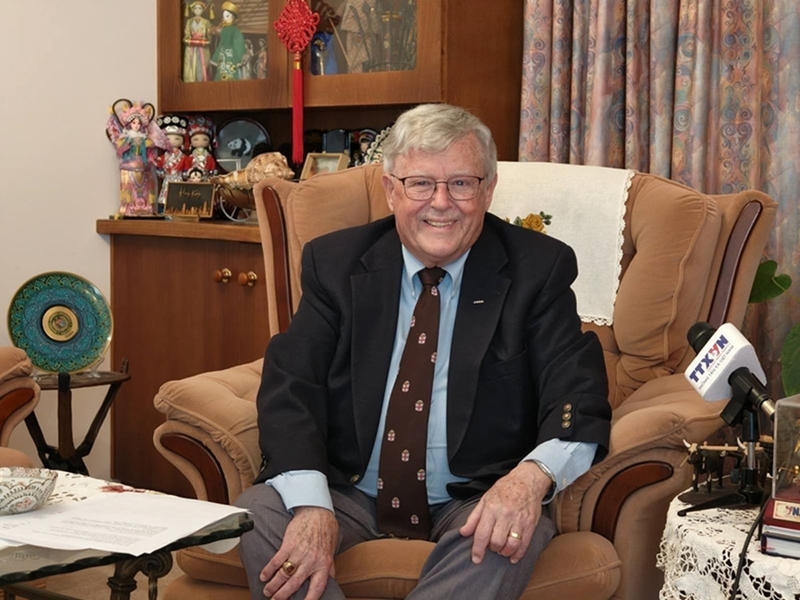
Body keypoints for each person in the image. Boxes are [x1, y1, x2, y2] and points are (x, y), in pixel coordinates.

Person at [235, 103, 611, 599]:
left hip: (473, 498)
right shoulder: (335, 263)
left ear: (488, 190)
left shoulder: (538, 269)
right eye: (420, 184)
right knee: (258, 514)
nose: (441, 203)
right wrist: (311, 507)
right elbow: (291, 385)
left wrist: (527, 482)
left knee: (506, 537)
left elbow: (578, 394)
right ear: (391, 190)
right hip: (349, 490)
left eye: (461, 183)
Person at [106, 99, 171, 217]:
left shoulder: (146, 139)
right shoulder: (125, 138)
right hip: (129, 168)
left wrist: (151, 157)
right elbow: (120, 150)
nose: (136, 125)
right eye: (134, 123)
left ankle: (146, 208)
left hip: (144, 167)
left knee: (146, 189)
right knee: (129, 190)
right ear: (129, 124)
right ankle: (128, 208)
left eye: (138, 123)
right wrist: (126, 145)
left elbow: (151, 153)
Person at [210, 2, 246, 81]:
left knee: (231, 73)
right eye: (224, 16)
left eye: (227, 16)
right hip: (222, 53)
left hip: (231, 54)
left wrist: (238, 56)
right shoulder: (224, 29)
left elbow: (239, 42)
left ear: (233, 17)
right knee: (221, 70)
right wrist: (216, 55)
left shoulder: (235, 30)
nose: (225, 18)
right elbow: (221, 43)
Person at [182, 1, 213, 82]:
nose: (197, 10)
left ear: (202, 10)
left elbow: (209, 37)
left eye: (200, 8)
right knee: (191, 66)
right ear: (192, 10)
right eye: (195, 8)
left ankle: (202, 80)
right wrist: (189, 40)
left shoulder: (206, 22)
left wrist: (205, 41)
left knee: (202, 66)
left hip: (203, 48)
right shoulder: (189, 22)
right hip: (191, 48)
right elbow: (186, 36)